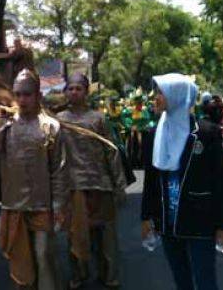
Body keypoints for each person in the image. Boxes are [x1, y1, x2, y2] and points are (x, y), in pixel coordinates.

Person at [141, 74, 223, 290]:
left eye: (161, 92)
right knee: (181, 280)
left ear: (177, 95)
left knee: (205, 280)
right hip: (168, 221)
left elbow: (221, 182)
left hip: (200, 220)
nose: (156, 97)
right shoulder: (155, 133)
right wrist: (146, 217)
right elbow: (151, 180)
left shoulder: (206, 133)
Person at [0, 69, 68, 290]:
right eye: (18, 94)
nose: (22, 99)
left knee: (43, 256)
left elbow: (59, 169)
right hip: (14, 205)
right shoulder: (7, 125)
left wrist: (59, 205)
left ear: (38, 95)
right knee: (21, 261)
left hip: (43, 205)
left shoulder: (51, 126)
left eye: (27, 94)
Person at [58, 74, 127, 289]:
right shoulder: (58, 120)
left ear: (86, 92)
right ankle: (78, 275)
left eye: (79, 88)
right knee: (76, 235)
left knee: (106, 236)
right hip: (74, 186)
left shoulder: (98, 118)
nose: (74, 92)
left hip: (101, 184)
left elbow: (112, 151)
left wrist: (119, 184)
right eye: (70, 88)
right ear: (65, 92)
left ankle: (109, 276)